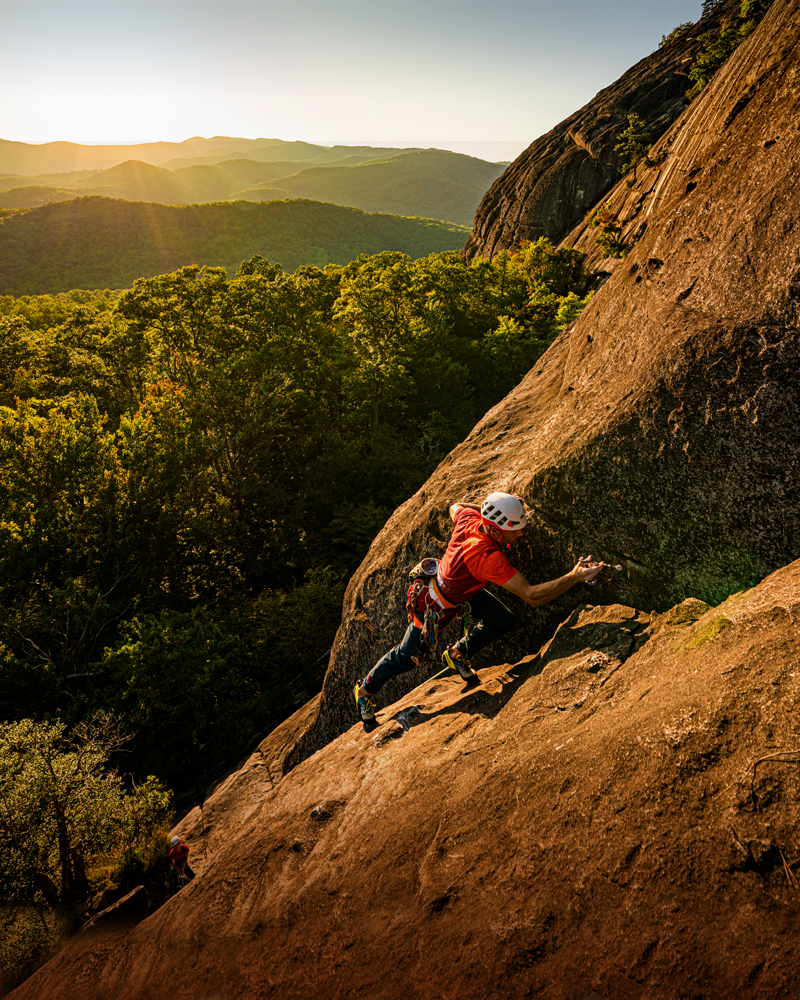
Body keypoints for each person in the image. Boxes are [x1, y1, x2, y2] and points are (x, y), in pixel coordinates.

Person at [354, 491, 603, 725]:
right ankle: (364, 690)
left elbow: (455, 507)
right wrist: (574, 576)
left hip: (462, 589)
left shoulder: (470, 518)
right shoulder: (487, 558)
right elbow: (532, 596)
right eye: (514, 530)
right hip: (435, 606)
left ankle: (457, 652)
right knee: (406, 657)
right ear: (496, 531)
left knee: (502, 619)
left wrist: (492, 509)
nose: (520, 535)